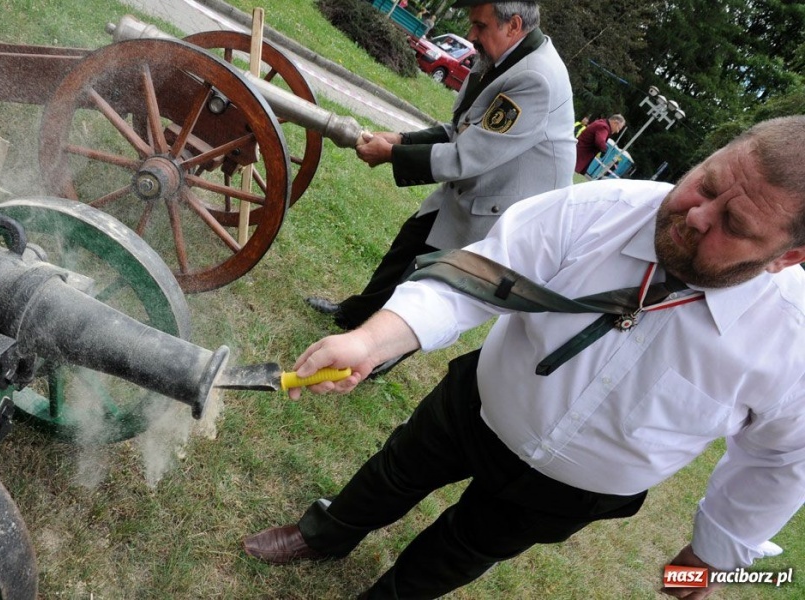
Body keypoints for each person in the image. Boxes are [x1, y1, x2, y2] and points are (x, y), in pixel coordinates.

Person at [242, 116, 805, 600]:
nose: (699, 216)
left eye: (735, 226)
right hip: (480, 405)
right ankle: (325, 533)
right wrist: (369, 342)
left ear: (788, 256)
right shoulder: (601, 208)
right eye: (704, 185)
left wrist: (708, 556)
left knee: (463, 549)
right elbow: (475, 276)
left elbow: (779, 463)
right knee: (395, 471)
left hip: (574, 488)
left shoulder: (793, 339)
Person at [305, 0, 575, 338]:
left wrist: (392, 154)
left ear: (514, 25)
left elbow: (467, 156)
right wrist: (401, 139)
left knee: (429, 286)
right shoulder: (501, 57)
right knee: (409, 244)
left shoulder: (536, 79)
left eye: (480, 26)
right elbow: (462, 129)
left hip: (500, 209)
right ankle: (353, 316)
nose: (470, 34)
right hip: (477, 187)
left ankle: (376, 354)